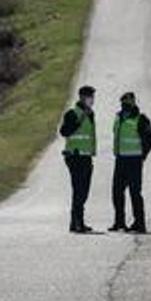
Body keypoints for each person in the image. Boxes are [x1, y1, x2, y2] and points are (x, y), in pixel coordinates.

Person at [108, 91, 151, 233]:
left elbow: (149, 141)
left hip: (134, 161)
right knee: (117, 192)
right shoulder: (118, 117)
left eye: (128, 102)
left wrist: (142, 156)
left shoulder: (141, 119)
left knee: (135, 192)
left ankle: (139, 223)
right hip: (120, 160)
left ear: (134, 102)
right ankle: (119, 222)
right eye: (123, 102)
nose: (125, 105)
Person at [58, 85, 97, 233]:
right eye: (90, 97)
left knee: (84, 191)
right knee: (79, 190)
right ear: (82, 97)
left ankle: (78, 222)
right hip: (74, 156)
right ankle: (76, 223)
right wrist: (80, 118)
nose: (92, 100)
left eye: (93, 97)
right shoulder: (72, 113)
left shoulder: (91, 114)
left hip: (86, 156)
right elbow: (64, 132)